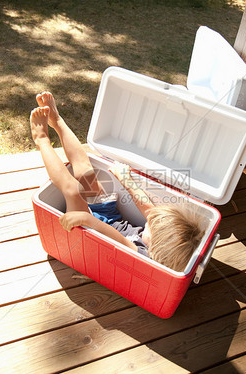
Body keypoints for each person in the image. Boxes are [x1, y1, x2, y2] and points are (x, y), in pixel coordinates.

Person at [30, 91, 205, 272]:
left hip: (93, 231)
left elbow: (116, 238)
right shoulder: (160, 232)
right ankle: (57, 121)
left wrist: (86, 218)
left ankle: (41, 139)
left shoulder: (144, 256)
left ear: (154, 247)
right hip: (110, 218)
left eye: (150, 227)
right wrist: (125, 178)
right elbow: (148, 208)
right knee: (86, 172)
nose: (149, 221)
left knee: (73, 190)